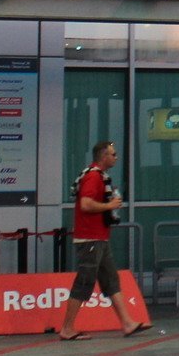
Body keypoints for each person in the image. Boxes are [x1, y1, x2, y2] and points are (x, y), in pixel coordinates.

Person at [58, 140, 146, 339]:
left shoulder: (98, 176)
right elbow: (86, 204)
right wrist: (110, 205)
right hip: (90, 239)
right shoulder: (93, 177)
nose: (116, 158)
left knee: (111, 280)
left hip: (99, 238)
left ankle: (127, 323)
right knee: (84, 282)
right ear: (103, 156)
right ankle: (67, 328)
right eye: (113, 154)